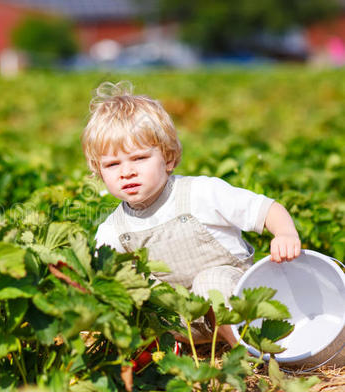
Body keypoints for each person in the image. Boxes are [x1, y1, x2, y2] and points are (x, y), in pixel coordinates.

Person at [81, 81, 301, 346]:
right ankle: (165, 357)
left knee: (211, 282)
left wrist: (285, 233)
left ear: (169, 158)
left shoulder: (201, 193)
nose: (126, 171)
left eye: (139, 158)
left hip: (234, 301)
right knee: (135, 294)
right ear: (98, 171)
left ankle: (246, 352)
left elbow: (268, 209)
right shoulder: (113, 229)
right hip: (179, 320)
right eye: (112, 164)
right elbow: (100, 281)